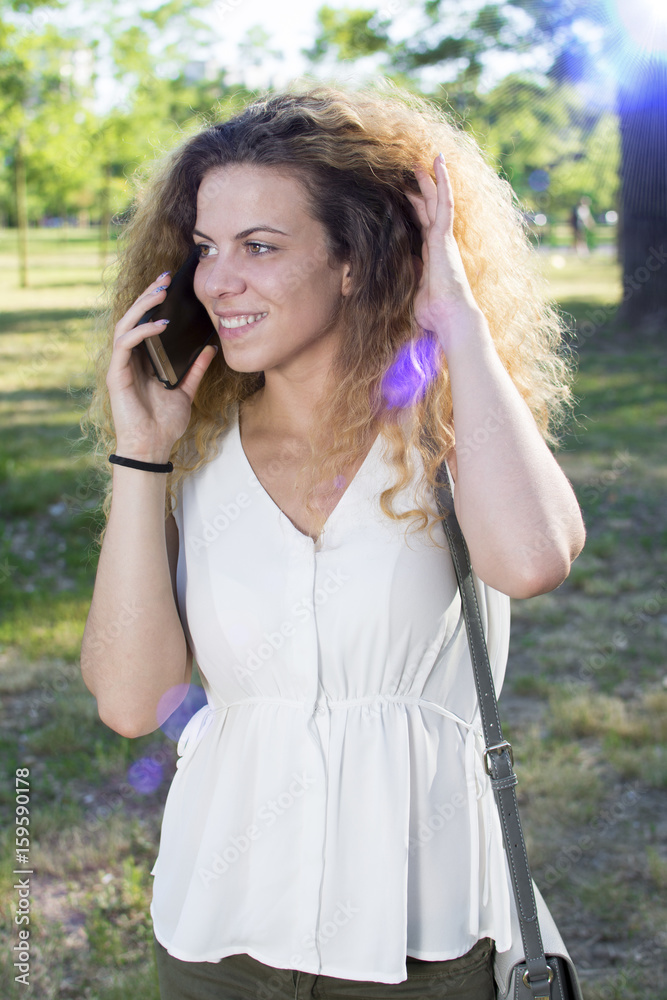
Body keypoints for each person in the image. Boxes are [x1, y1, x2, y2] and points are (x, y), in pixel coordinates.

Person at [80, 85, 585, 1000]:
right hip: (219, 939)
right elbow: (128, 701)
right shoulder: (188, 456)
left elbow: (534, 560)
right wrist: (140, 457)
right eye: (204, 248)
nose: (216, 281)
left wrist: (457, 324)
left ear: (354, 263)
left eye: (259, 247)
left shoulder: (444, 431)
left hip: (422, 936)